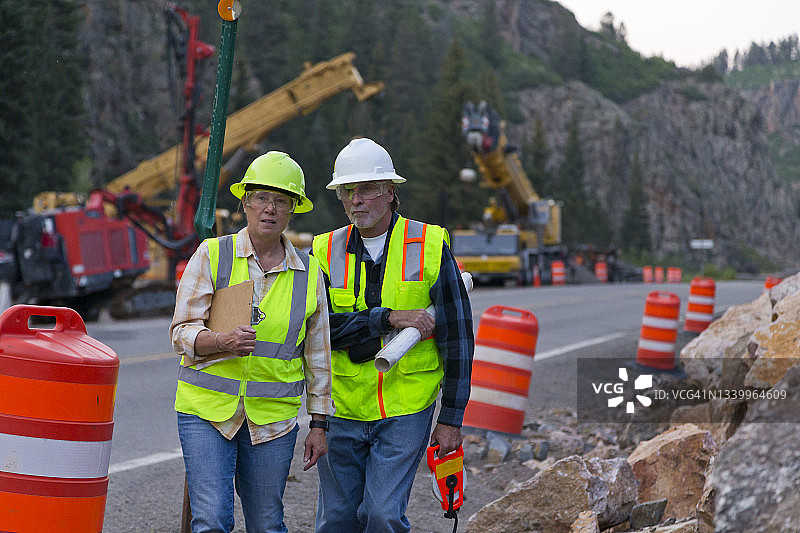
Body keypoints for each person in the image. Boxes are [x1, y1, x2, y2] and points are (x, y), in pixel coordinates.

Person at [311, 137, 474, 533]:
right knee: (336, 520)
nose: (356, 200)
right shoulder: (324, 250)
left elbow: (458, 338)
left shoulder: (430, 244)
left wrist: (451, 418)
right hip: (341, 408)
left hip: (405, 409)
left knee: (382, 516)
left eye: (366, 189)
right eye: (347, 192)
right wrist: (386, 319)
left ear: (390, 191)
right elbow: (317, 330)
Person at [170, 151, 335, 533]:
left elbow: (318, 357)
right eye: (261, 197)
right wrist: (221, 340)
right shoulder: (213, 255)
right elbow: (181, 333)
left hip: (273, 420)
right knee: (211, 520)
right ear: (244, 203)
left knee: (266, 522)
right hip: (207, 412)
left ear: (293, 210)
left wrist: (319, 424)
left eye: (281, 200)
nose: (269, 208)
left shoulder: (310, 274)